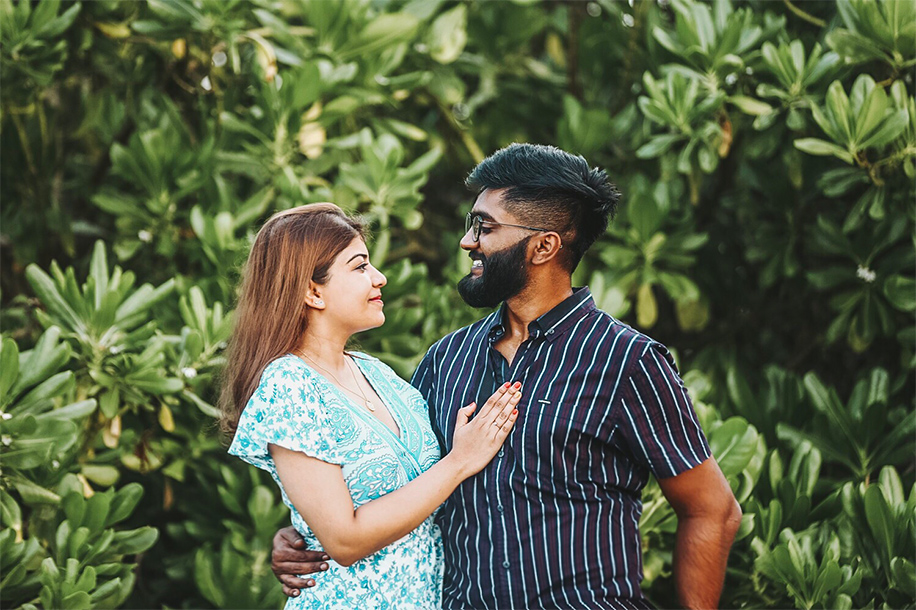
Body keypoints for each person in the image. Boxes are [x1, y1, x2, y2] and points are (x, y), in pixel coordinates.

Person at [270, 145, 742, 609]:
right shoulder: (446, 359)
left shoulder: (627, 361)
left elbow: (712, 510)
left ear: (543, 246)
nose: (467, 241)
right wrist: (307, 529)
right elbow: (403, 482)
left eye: (485, 227)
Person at [220, 203, 525, 609]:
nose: (379, 277)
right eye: (360, 266)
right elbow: (344, 541)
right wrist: (459, 461)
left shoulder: (376, 373)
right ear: (312, 291)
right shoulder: (288, 385)